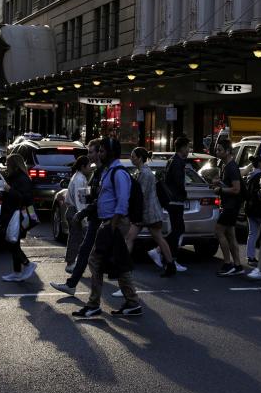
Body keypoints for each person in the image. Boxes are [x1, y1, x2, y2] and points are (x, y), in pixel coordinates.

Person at [73, 137, 142, 318]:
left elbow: (122, 201)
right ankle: (132, 302)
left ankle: (94, 304)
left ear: (111, 152)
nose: (99, 154)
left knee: (95, 261)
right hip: (109, 222)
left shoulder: (118, 173)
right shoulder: (108, 171)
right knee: (118, 263)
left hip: (114, 223)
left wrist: (112, 226)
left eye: (102, 151)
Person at [50, 138, 103, 296]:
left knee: (85, 245)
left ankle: (76, 280)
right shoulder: (82, 178)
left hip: (91, 215)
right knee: (82, 244)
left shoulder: (94, 174)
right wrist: (84, 217)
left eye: (92, 151)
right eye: (89, 153)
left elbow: (85, 199)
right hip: (85, 214)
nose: (90, 156)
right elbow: (82, 201)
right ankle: (74, 279)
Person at [126, 147, 176, 277]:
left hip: (149, 213)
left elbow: (141, 194)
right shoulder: (142, 172)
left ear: (140, 158)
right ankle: (124, 266)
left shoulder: (145, 173)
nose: (131, 158)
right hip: (146, 212)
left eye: (133, 156)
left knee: (157, 238)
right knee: (132, 237)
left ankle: (171, 265)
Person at [149, 136, 190, 269]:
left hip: (172, 200)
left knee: (178, 229)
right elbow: (178, 182)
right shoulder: (178, 162)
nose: (188, 150)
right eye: (188, 147)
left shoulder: (173, 160)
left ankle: (164, 254)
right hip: (175, 200)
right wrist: (184, 195)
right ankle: (166, 255)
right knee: (178, 229)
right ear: (182, 148)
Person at [0, 154, 37, 282]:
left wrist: (9, 190)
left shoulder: (22, 179)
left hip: (18, 215)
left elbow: (23, 198)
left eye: (8, 164)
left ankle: (27, 264)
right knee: (13, 241)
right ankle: (17, 271)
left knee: (11, 242)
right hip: (12, 213)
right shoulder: (14, 177)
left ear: (14, 166)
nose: (6, 167)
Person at [212, 139, 244, 276]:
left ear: (228, 151)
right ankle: (237, 265)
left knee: (219, 231)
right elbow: (231, 186)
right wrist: (220, 183)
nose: (217, 152)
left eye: (220, 150)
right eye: (217, 149)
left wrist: (220, 190)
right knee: (230, 235)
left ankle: (227, 263)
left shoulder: (231, 167)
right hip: (230, 205)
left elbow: (236, 189)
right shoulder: (226, 166)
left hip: (231, 206)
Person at [64, 156, 91, 273]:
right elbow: (80, 200)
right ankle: (70, 263)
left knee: (77, 238)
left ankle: (73, 262)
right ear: (83, 166)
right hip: (76, 211)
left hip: (74, 210)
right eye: (89, 165)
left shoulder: (79, 177)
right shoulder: (79, 179)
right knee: (76, 238)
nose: (90, 168)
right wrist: (83, 218)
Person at [244, 156, 261, 267]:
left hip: (249, 208)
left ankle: (250, 256)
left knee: (252, 233)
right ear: (260, 163)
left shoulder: (250, 175)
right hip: (259, 209)